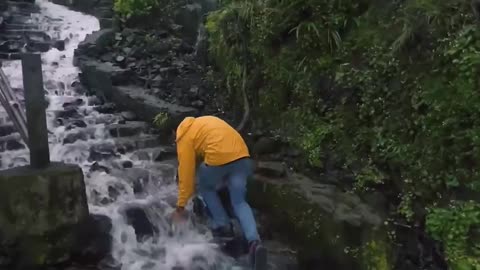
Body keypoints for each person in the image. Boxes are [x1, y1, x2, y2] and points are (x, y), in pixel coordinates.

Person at [170, 115, 267, 269]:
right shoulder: (203, 122)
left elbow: (186, 175)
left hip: (219, 158)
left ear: (175, 132)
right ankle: (254, 243)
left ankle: (223, 225)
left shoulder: (184, 136)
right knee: (239, 202)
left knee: (205, 187)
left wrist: (180, 207)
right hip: (242, 155)